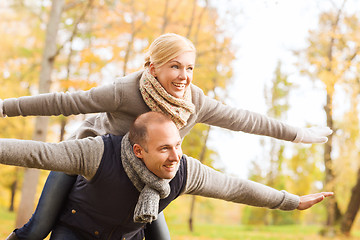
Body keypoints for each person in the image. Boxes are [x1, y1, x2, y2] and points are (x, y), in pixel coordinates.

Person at [1, 33, 333, 240]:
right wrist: (4, 108)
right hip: (89, 163)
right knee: (38, 229)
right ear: (152, 66)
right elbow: (64, 102)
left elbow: (246, 121)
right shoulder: (123, 92)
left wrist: (300, 135)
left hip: (148, 178)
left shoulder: (194, 102)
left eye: (189, 68)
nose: (184, 76)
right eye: (175, 67)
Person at [3, 112, 333, 240]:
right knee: (36, 231)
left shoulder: (184, 170)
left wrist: (291, 201)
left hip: (128, 232)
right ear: (138, 151)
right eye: (164, 149)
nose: (175, 157)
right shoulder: (97, 152)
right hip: (77, 229)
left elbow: (235, 187)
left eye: (178, 146)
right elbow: (37, 153)